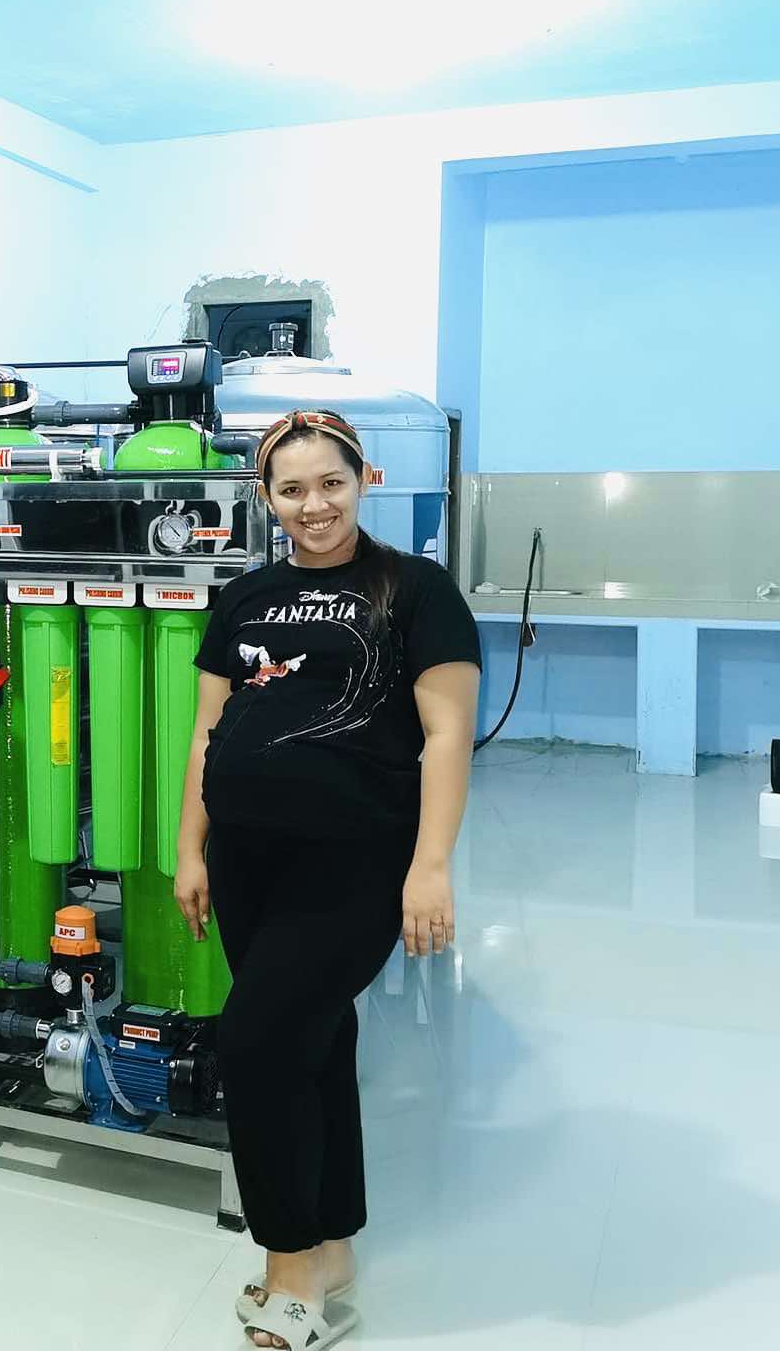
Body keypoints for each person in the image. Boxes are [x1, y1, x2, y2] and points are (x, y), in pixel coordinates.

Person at [174, 408, 481, 1350]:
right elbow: (207, 733)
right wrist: (191, 849)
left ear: (364, 480)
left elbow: (447, 734)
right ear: (267, 498)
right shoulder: (246, 596)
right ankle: (334, 1242)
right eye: (293, 489)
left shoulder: (415, 589)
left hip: (354, 858)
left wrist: (430, 866)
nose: (315, 505)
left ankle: (290, 1269)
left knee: (254, 1043)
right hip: (246, 855)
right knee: (313, 1042)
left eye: (331, 484)